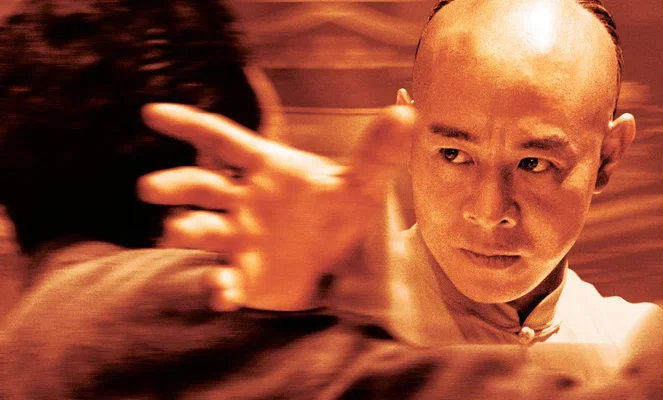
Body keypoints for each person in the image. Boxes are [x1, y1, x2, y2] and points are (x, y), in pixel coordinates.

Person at [1, 0, 662, 398]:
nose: (489, 210)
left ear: (609, 154)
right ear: (407, 129)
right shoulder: (269, 311)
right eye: (453, 154)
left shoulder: (632, 334)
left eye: (535, 163)